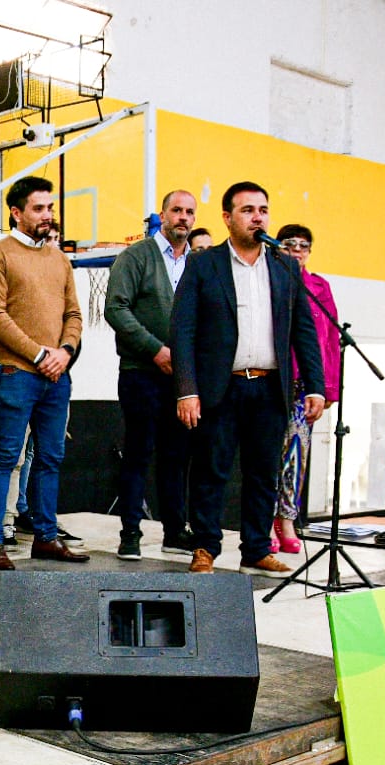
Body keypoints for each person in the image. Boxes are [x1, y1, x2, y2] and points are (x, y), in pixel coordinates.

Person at [170, 181, 325, 575]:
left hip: (270, 388)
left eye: (263, 210)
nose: (258, 218)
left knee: (263, 473)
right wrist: (186, 390)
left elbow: (304, 330)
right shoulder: (204, 264)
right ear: (227, 218)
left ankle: (256, 548)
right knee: (211, 471)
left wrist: (316, 385)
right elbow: (183, 330)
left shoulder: (285, 267)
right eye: (248, 210)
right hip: (221, 386)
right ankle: (205, 547)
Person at [0, 177, 86, 570]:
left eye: (50, 208)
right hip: (15, 373)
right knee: (6, 456)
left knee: (51, 459)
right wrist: (41, 354)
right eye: (38, 208)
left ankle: (46, 537)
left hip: (57, 375)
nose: (47, 215)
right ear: (16, 213)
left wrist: (65, 352)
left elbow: (74, 313)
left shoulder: (59, 259)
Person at [105, 189, 199, 560]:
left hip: (183, 379)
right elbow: (116, 308)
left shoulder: (198, 264)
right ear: (163, 214)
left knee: (177, 458)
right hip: (141, 373)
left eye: (189, 212)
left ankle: (175, 533)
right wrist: (155, 350)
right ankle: (130, 533)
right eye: (176, 210)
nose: (183, 217)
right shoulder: (136, 256)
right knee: (138, 454)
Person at [268, 224, 342, 554]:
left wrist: (327, 389)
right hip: (272, 381)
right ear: (277, 248)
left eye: (304, 245)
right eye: (290, 244)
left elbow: (329, 340)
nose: (297, 250)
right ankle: (263, 521)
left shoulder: (319, 287)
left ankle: (286, 520)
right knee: (268, 455)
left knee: (296, 454)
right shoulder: (269, 280)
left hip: (304, 387)